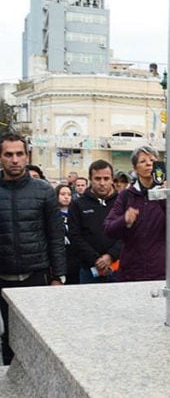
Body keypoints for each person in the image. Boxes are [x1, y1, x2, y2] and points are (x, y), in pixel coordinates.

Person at [0, 132, 66, 365]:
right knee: (7, 339)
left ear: (27, 156)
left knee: (39, 339)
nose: (14, 160)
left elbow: (56, 235)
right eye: (9, 154)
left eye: (19, 154)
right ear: (1, 157)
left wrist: (58, 277)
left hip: (36, 278)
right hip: (3, 281)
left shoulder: (43, 190)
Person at [104, 146, 166, 281]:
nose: (149, 164)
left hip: (161, 270)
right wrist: (124, 220)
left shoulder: (168, 193)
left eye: (152, 160)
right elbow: (109, 228)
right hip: (131, 271)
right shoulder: (126, 195)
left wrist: (165, 196)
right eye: (143, 161)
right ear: (135, 168)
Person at [69, 160, 122, 284]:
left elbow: (129, 234)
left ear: (112, 179)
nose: (102, 183)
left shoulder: (122, 202)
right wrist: (96, 259)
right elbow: (75, 236)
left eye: (106, 178)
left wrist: (110, 256)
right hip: (89, 270)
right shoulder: (78, 205)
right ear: (90, 179)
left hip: (118, 268)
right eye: (97, 179)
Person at [54, 184, 78, 285]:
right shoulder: (52, 214)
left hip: (74, 258)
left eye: (69, 194)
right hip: (59, 257)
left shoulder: (76, 213)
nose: (66, 197)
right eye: (62, 194)